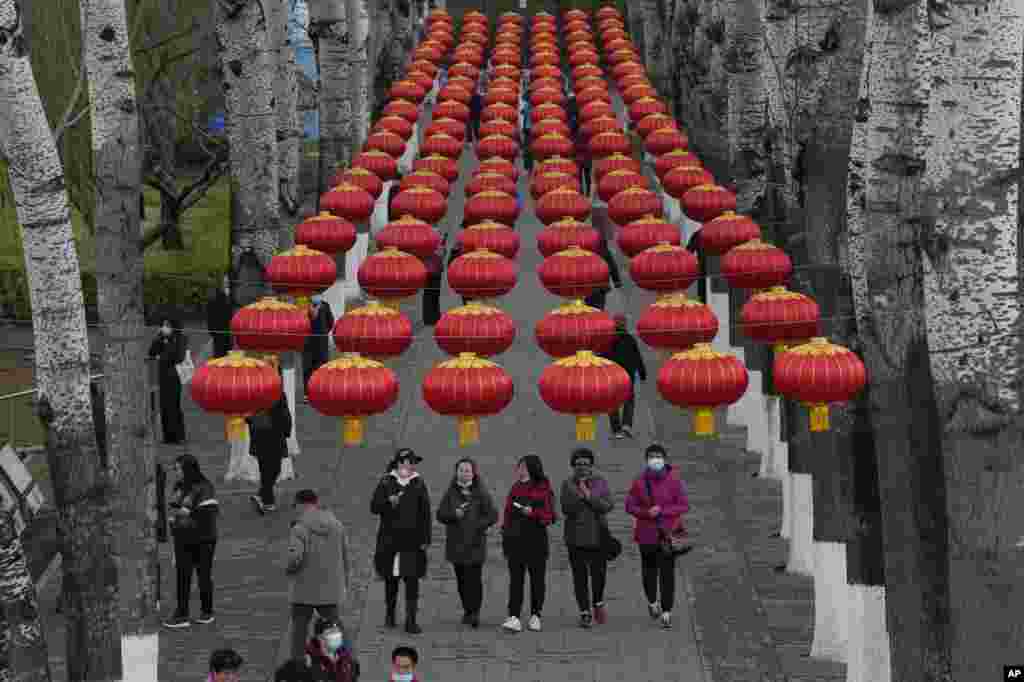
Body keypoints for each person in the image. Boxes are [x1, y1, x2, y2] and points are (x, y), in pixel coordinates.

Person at [624, 444, 690, 629]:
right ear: (646, 460)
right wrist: (646, 512)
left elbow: (684, 505)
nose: (655, 459)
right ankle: (653, 602)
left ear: (664, 458)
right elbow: (629, 506)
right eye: (652, 456)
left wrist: (663, 510)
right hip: (646, 534)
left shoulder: (674, 480)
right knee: (649, 571)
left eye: (658, 456)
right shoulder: (639, 481)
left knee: (667, 574)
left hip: (667, 534)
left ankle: (667, 612)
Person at [371, 448, 432, 634]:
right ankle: (390, 615)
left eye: (412, 463)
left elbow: (425, 513)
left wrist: (425, 538)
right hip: (389, 541)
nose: (409, 466)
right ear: (398, 463)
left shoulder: (418, 483)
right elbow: (374, 507)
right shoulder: (385, 482)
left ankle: (411, 620)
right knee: (391, 579)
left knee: (412, 580)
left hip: (412, 542)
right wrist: (389, 502)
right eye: (406, 462)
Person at [287, 489, 352, 659]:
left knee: (299, 631)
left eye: (296, 506)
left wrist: (289, 570)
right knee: (334, 628)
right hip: (330, 588)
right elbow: (346, 557)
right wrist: (344, 583)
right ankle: (344, 661)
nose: (295, 510)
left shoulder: (299, 528)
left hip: (303, 589)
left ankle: (297, 666)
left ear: (302, 504)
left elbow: (295, 558)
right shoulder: (337, 525)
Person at [435, 457, 499, 628]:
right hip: (456, 544)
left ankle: (475, 612)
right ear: (456, 472)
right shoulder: (451, 492)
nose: (464, 473)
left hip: (475, 543)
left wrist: (480, 526)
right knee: (462, 580)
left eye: (468, 470)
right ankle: (467, 610)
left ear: (473, 473)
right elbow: (440, 515)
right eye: (461, 470)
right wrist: (453, 515)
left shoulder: (481, 492)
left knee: (474, 579)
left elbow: (493, 515)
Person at [500, 454, 556, 633]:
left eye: (523, 466)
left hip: (536, 540)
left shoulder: (544, 488)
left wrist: (533, 512)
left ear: (532, 468)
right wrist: (505, 532)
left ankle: (535, 615)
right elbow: (508, 512)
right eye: (519, 466)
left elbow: (550, 516)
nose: (520, 469)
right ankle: (514, 616)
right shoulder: (515, 487)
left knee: (537, 580)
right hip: (515, 540)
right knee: (515, 580)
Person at [560, 448, 614, 628]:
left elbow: (607, 506)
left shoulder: (600, 482)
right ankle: (584, 611)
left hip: (598, 536)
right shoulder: (567, 484)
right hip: (575, 538)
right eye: (578, 464)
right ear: (573, 466)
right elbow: (567, 509)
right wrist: (581, 496)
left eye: (586, 464)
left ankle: (598, 602)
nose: (582, 467)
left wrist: (588, 495)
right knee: (579, 576)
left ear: (591, 466)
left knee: (599, 574)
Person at [164, 453, 219, 628]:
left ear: (188, 469)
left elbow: (209, 513)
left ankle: (207, 611)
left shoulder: (205, 487)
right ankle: (181, 614)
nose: (176, 472)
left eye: (178, 469)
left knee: (203, 575)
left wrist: (188, 513)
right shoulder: (179, 486)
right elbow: (174, 508)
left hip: (204, 539)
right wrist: (175, 519)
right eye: (175, 469)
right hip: (182, 538)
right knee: (182, 576)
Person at [247, 378, 293, 513]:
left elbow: (247, 415)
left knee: (265, 469)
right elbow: (284, 414)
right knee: (274, 469)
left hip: (260, 436)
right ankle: (265, 497)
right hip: (274, 436)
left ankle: (266, 499)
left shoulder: (252, 393)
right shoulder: (277, 393)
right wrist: (287, 431)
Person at [602, 314, 647, 438]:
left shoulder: (606, 340)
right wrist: (642, 373)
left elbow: (601, 358)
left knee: (612, 402)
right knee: (629, 400)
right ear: (625, 325)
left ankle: (616, 430)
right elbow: (637, 358)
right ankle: (626, 425)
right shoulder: (630, 339)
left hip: (611, 377)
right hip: (627, 376)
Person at [148, 317, 188, 444]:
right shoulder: (162, 338)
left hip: (175, 376)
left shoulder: (180, 338)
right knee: (164, 406)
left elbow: (177, 356)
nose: (164, 327)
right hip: (164, 376)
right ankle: (168, 436)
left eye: (167, 325)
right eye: (163, 325)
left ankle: (178, 435)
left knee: (174, 406)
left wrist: (163, 353)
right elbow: (152, 352)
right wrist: (159, 338)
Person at [303, 295, 334, 401]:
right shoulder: (322, 306)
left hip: (314, 342)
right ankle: (310, 393)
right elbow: (331, 323)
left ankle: (318, 392)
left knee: (316, 368)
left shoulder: (309, 306)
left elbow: (330, 323)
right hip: (314, 342)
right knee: (312, 368)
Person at [583, 237, 622, 310]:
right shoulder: (603, 251)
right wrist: (617, 281)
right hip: (599, 286)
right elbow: (612, 265)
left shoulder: (585, 252)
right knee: (598, 308)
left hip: (588, 285)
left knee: (590, 308)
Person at [206, 274, 235, 358]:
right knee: (221, 353)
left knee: (223, 354)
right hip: (220, 331)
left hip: (223, 331)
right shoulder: (217, 297)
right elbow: (210, 314)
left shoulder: (222, 296)